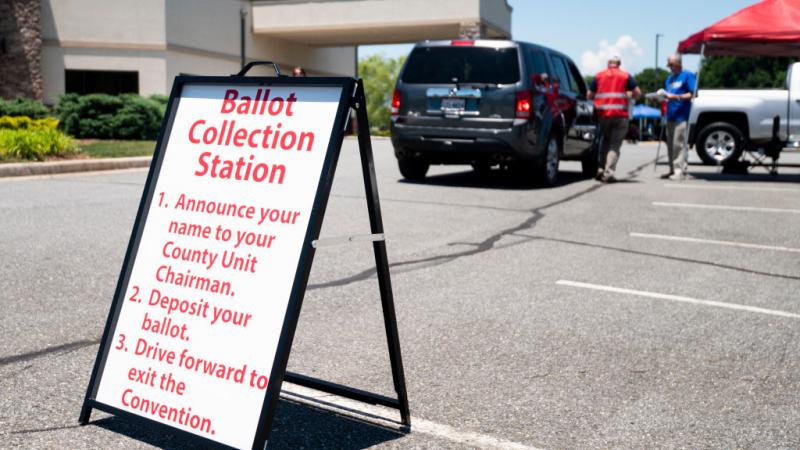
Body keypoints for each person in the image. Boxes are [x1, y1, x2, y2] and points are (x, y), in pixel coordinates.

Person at [587, 55, 641, 183]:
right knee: (614, 145)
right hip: (620, 115)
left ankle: (600, 168)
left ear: (608, 63)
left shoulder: (599, 76)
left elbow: (589, 95)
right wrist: (629, 95)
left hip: (603, 115)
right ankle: (608, 173)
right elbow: (638, 93)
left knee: (605, 141)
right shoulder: (626, 76)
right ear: (619, 64)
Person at [662, 54, 696, 180]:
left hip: (682, 116)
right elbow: (668, 95)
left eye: (671, 65)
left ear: (678, 64)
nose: (669, 68)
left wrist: (676, 97)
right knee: (670, 145)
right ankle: (672, 170)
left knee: (679, 145)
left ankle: (680, 171)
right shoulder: (669, 79)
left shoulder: (688, 75)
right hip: (670, 115)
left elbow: (693, 94)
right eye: (668, 65)